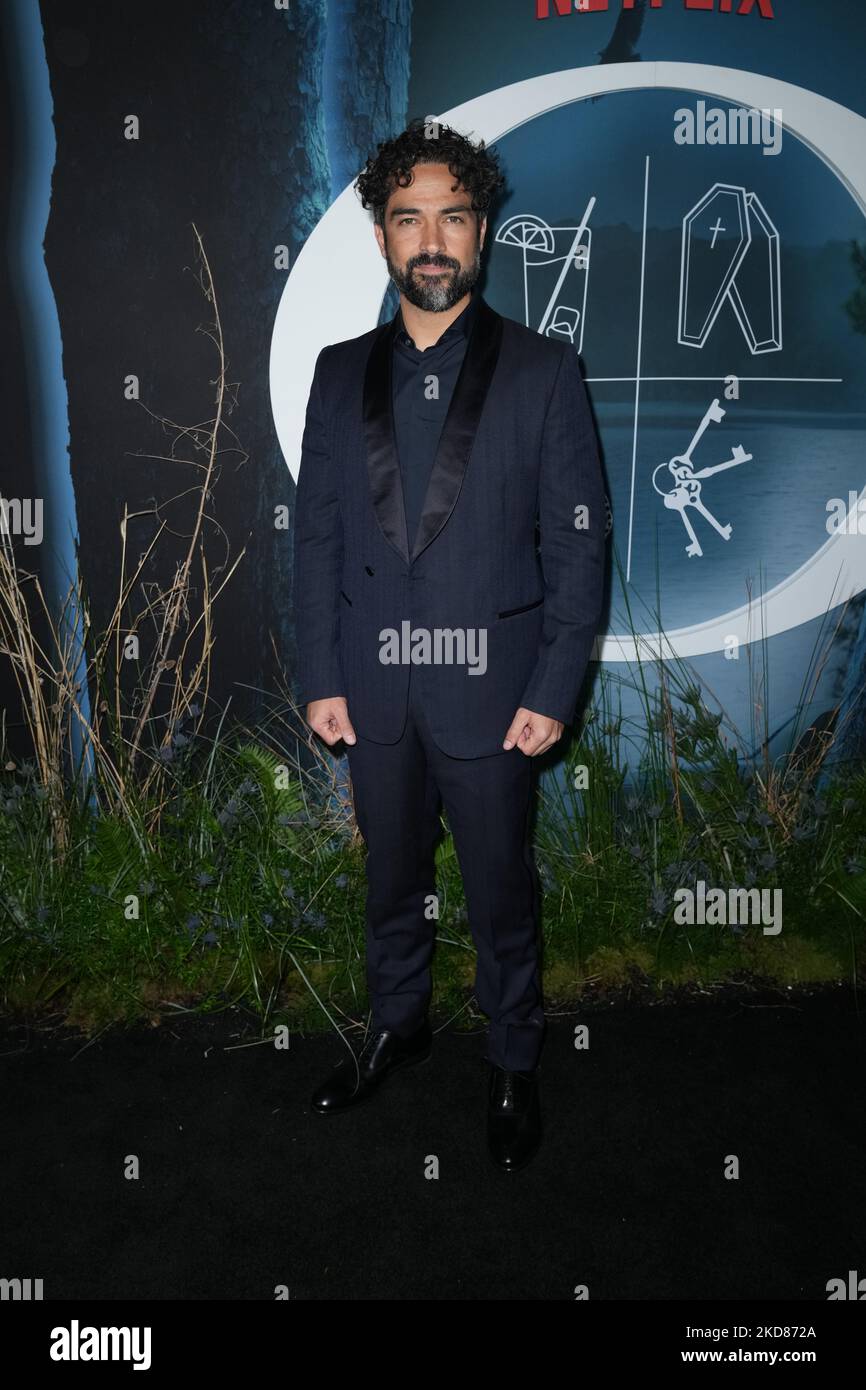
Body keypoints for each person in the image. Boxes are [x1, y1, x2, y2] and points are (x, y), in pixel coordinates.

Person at [292, 118, 606, 1171]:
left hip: (496, 691)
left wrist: (557, 683)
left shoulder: (545, 370)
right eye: (408, 219)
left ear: (481, 232)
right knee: (390, 878)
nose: (431, 240)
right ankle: (398, 1023)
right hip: (373, 694)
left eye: (451, 218)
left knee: (499, 887)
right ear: (382, 237)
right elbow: (319, 538)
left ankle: (513, 1060)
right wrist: (321, 675)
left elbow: (577, 546)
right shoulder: (337, 373)